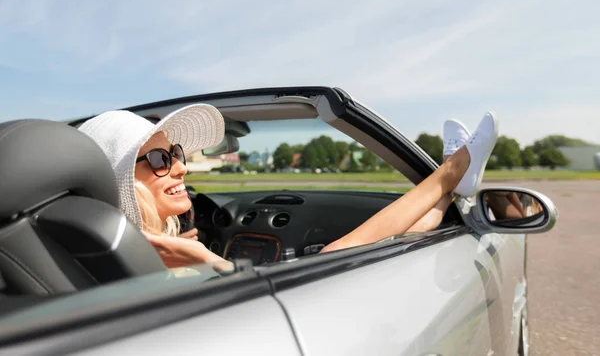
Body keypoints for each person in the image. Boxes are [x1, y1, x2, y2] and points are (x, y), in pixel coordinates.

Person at [79, 104, 498, 268]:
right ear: (112, 181)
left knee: (406, 231)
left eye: (176, 155)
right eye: (157, 159)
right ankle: (452, 172)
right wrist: (203, 256)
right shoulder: (138, 256)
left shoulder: (126, 247)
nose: (180, 170)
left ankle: (451, 183)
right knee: (335, 255)